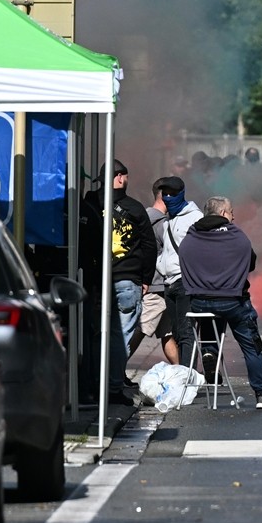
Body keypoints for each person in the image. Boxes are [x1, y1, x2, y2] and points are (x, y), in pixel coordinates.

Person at [179, 196, 262, 410]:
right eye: (231, 212)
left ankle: (209, 353)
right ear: (224, 213)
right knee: (253, 347)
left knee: (209, 328)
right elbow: (250, 263)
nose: (234, 216)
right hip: (232, 301)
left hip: (199, 303)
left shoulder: (190, 236)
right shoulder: (236, 236)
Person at [79, 159, 157, 406]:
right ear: (121, 178)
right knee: (119, 339)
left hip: (94, 281)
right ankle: (112, 388)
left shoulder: (88, 205)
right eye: (124, 175)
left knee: (93, 335)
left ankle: (92, 384)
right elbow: (149, 246)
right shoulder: (134, 208)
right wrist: (145, 279)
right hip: (127, 280)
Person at [154, 176, 201, 370]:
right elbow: (165, 250)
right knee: (176, 332)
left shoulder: (194, 218)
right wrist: (161, 265)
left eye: (172, 194)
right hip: (169, 282)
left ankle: (187, 377)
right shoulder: (167, 221)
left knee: (187, 332)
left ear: (181, 194)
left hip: (185, 282)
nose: (168, 197)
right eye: (165, 194)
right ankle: (184, 374)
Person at [133, 179, 177, 365]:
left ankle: (181, 371)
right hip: (156, 287)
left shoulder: (144, 218)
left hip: (161, 286)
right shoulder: (160, 224)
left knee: (167, 334)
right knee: (140, 329)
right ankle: (114, 372)